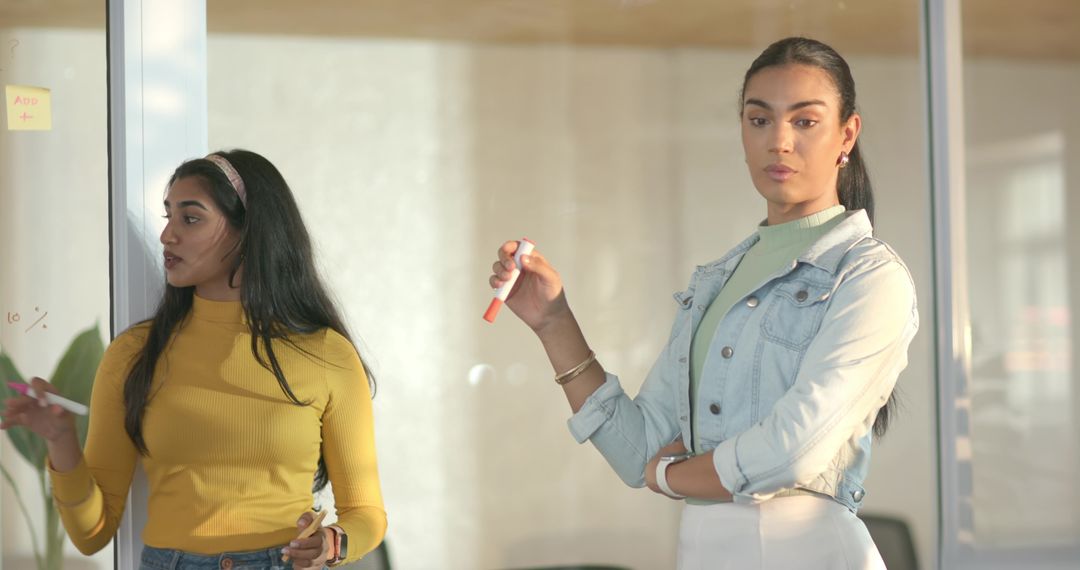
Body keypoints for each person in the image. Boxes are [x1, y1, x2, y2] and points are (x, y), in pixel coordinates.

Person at [488, 37, 917, 569]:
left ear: (846, 134)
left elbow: (793, 448)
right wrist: (554, 321)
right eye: (759, 120)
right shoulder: (718, 282)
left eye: (804, 122)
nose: (779, 141)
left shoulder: (871, 275)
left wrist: (668, 476)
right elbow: (637, 450)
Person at [2, 150, 386, 569]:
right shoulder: (135, 355)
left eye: (190, 218)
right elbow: (91, 535)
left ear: (248, 232)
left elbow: (366, 513)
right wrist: (61, 442)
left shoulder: (326, 354)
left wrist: (333, 544)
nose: (167, 235)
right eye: (168, 216)